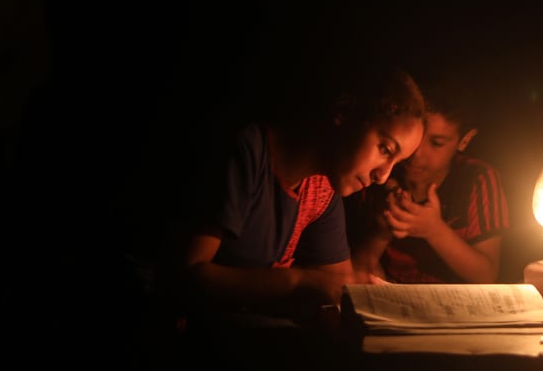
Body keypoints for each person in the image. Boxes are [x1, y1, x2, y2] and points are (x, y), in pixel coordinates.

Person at [157, 60, 427, 328]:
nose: (383, 176)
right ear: (343, 112)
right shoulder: (249, 152)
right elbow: (188, 273)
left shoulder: (322, 189)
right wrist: (299, 281)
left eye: (396, 163)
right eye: (385, 149)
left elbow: (338, 288)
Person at [344, 72, 509, 284]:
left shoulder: (476, 179)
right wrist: (382, 231)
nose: (417, 153)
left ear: (464, 140)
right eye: (417, 138)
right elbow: (354, 271)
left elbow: (487, 276)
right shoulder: (376, 173)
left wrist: (434, 230)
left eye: (437, 143)